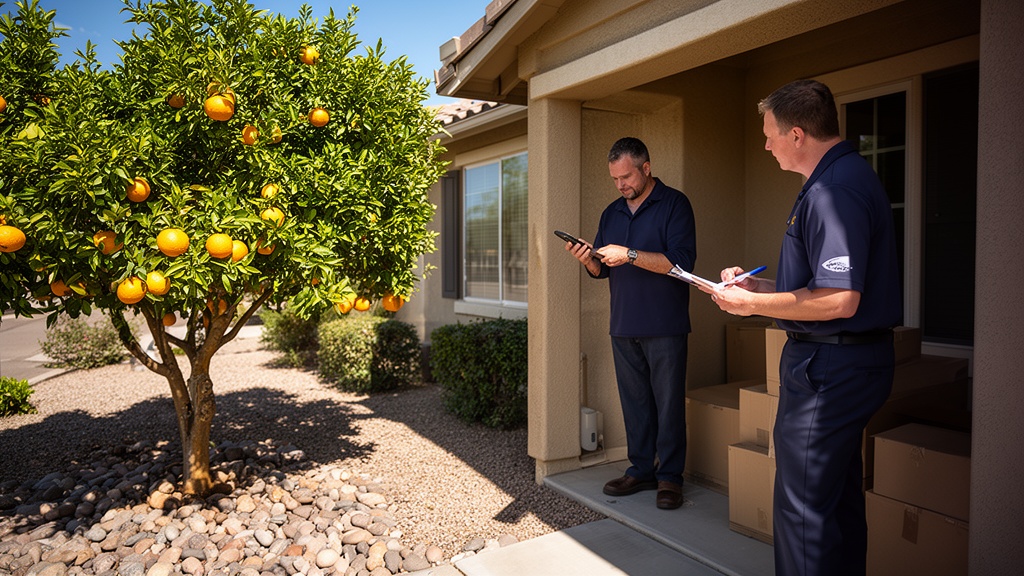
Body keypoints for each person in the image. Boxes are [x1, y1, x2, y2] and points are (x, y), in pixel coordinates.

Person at [707, 80, 902, 575]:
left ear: (797, 134)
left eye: (770, 134)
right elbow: (818, 286)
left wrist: (749, 309)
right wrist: (758, 290)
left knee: (801, 513)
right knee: (834, 501)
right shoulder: (838, 178)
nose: (765, 144)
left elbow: (839, 298)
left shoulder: (834, 190)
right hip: (842, 362)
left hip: (829, 369)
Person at [563, 136, 696, 510]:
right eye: (615, 179)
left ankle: (670, 477)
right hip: (623, 323)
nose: (621, 185)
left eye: (626, 177)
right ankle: (641, 469)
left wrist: (630, 254)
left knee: (668, 405)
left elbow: (682, 264)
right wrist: (587, 259)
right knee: (635, 403)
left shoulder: (675, 205)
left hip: (666, 324)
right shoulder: (612, 212)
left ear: (646, 168)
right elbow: (603, 270)